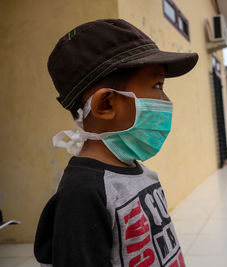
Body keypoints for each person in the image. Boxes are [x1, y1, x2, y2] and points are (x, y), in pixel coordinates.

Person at [34, 19, 198, 267]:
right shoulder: (82, 195)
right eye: (157, 85)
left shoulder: (140, 171)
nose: (166, 99)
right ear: (106, 104)